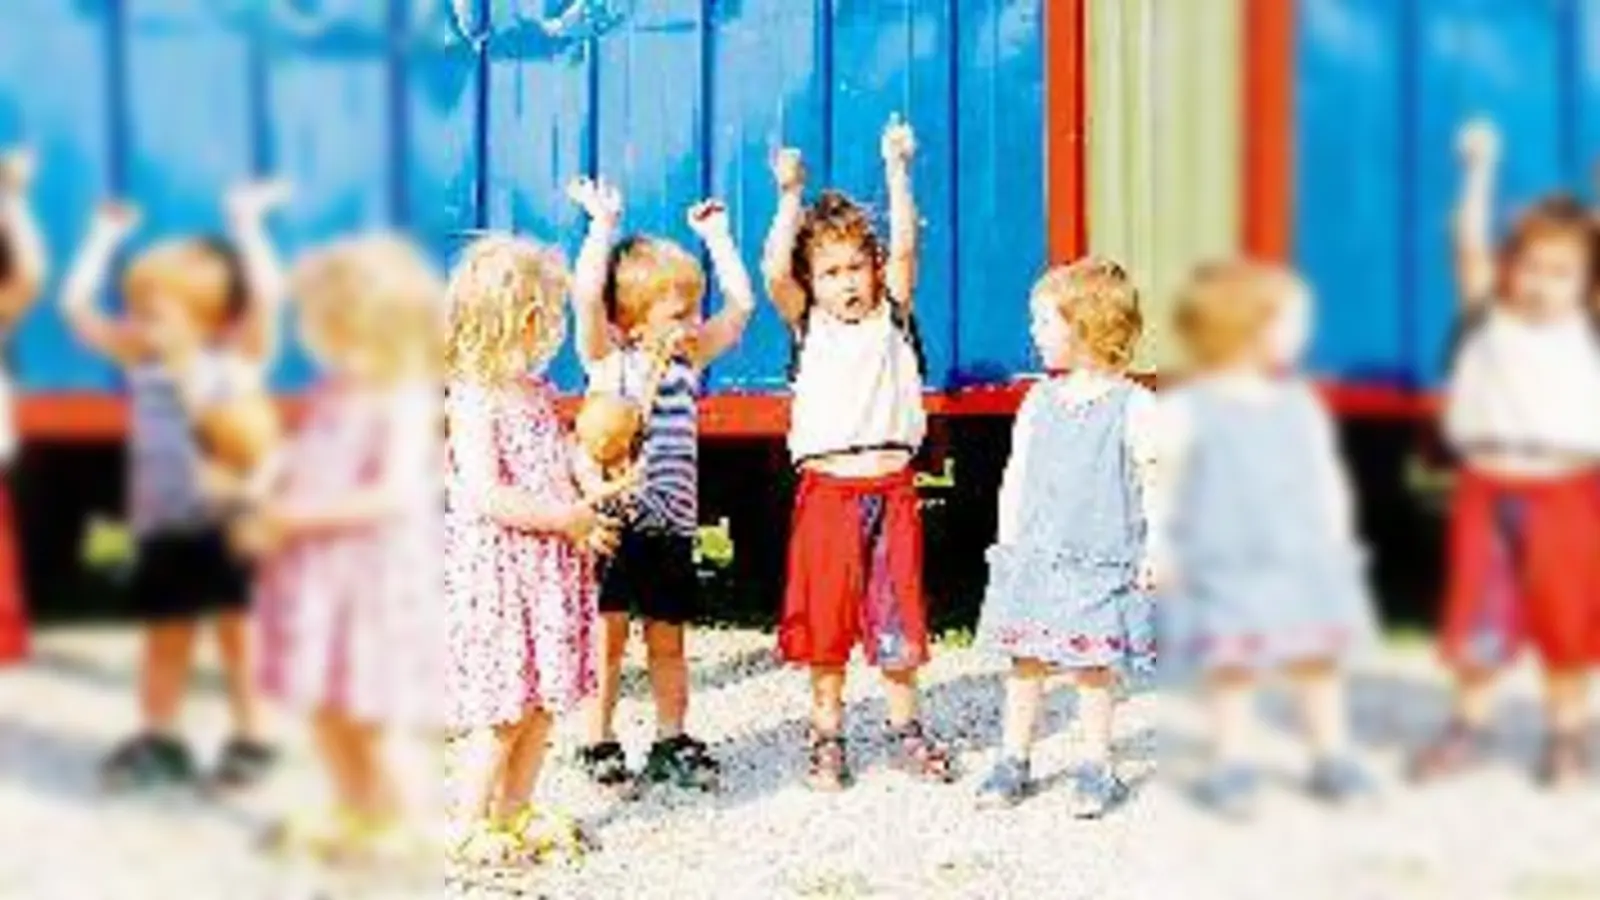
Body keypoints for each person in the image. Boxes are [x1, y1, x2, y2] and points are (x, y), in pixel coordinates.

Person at [62, 183, 288, 792]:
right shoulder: (142, 358)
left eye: (156, 308)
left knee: (239, 637)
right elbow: (79, 309)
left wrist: (247, 226)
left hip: (224, 524)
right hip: (162, 526)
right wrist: (101, 238)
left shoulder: (235, 360)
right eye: (138, 306)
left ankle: (253, 736)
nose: (140, 319)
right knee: (165, 637)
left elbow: (267, 299)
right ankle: (161, 737)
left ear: (209, 315)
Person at [762, 116, 956, 791]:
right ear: (810, 281)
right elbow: (771, 271)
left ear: (874, 272)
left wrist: (897, 168)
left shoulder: (892, 317)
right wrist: (789, 195)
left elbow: (905, 246)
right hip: (827, 490)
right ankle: (827, 734)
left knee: (898, 610)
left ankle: (906, 727)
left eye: (856, 268)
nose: (846, 282)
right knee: (825, 616)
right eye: (831, 272)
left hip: (890, 487)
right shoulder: (807, 324)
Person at [1409, 120, 1600, 788]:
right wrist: (1481, 167)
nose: (1542, 282)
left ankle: (1568, 736)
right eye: (1530, 266)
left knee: (1566, 623)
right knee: (1478, 620)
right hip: (1489, 490)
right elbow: (1467, 246)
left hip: (1566, 493)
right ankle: (1468, 726)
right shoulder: (1490, 313)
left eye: (1561, 272)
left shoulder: (1588, 325)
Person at [1159, 260, 1378, 818]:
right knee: (1233, 664)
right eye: (1290, 324)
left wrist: (1337, 535)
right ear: (1245, 327)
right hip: (1224, 561)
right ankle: (1232, 761)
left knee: (1314, 656)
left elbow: (1325, 476)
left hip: (1300, 555)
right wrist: (1161, 545)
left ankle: (1332, 754)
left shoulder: (1299, 403)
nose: (1301, 336)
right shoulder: (1189, 407)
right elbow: (1165, 480)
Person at [567, 177, 755, 794]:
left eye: (694, 310)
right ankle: (597, 739)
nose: (693, 323)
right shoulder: (607, 361)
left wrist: (719, 239)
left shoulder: (687, 365)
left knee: (669, 642)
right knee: (608, 642)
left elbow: (743, 308)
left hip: (671, 528)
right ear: (631, 320)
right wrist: (602, 228)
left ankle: (672, 736)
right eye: (678, 313)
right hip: (616, 527)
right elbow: (586, 298)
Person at [972, 258, 1158, 815]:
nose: (1034, 333)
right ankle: (1013, 759)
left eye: (1045, 322)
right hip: (1035, 556)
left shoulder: (1136, 407)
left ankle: (1096, 765)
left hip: (1100, 561)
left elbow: (1158, 479)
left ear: (1086, 327)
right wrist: (1006, 544)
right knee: (1025, 661)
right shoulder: (1037, 402)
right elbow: (1017, 476)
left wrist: (1160, 547)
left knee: (1092, 668)